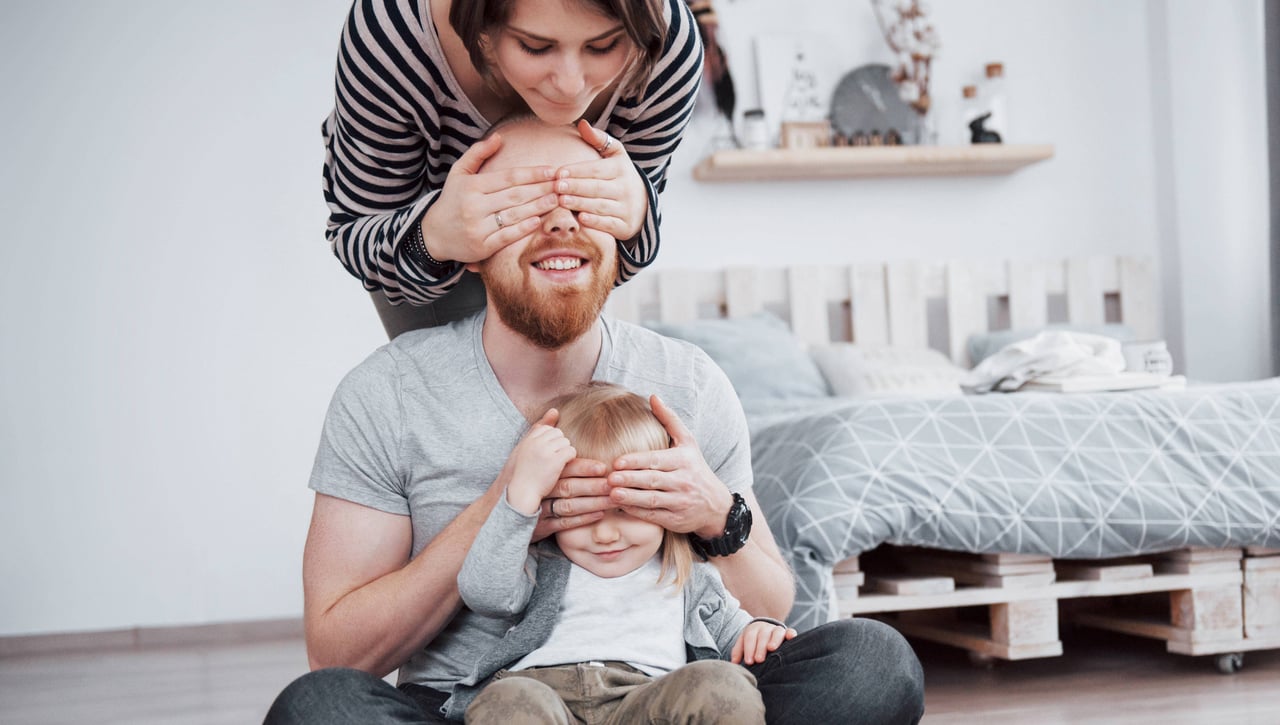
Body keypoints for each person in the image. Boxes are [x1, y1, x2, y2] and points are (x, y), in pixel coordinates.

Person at [266, 116, 924, 724]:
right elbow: (340, 655)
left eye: (587, 201)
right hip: (477, 707)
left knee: (873, 663)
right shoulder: (387, 392)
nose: (560, 223)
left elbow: (769, 608)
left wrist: (716, 514)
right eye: (523, 204)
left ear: (622, 234)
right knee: (317, 708)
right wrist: (505, 506)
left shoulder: (688, 382)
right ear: (467, 240)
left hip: (669, 702)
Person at [324, 0, 704, 338]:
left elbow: (617, 255)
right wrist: (433, 237)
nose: (571, 86)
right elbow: (358, 233)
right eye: (535, 47)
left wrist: (637, 210)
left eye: (603, 45)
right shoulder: (392, 36)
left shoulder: (667, 46)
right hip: (417, 267)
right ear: (481, 28)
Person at [456, 381, 795, 723]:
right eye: (582, 515)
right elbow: (482, 592)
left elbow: (734, 632)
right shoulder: (543, 562)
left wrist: (760, 629)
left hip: (648, 701)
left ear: (661, 502)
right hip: (546, 698)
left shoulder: (687, 576)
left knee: (723, 684)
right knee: (505, 700)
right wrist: (522, 496)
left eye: (625, 510)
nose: (605, 535)